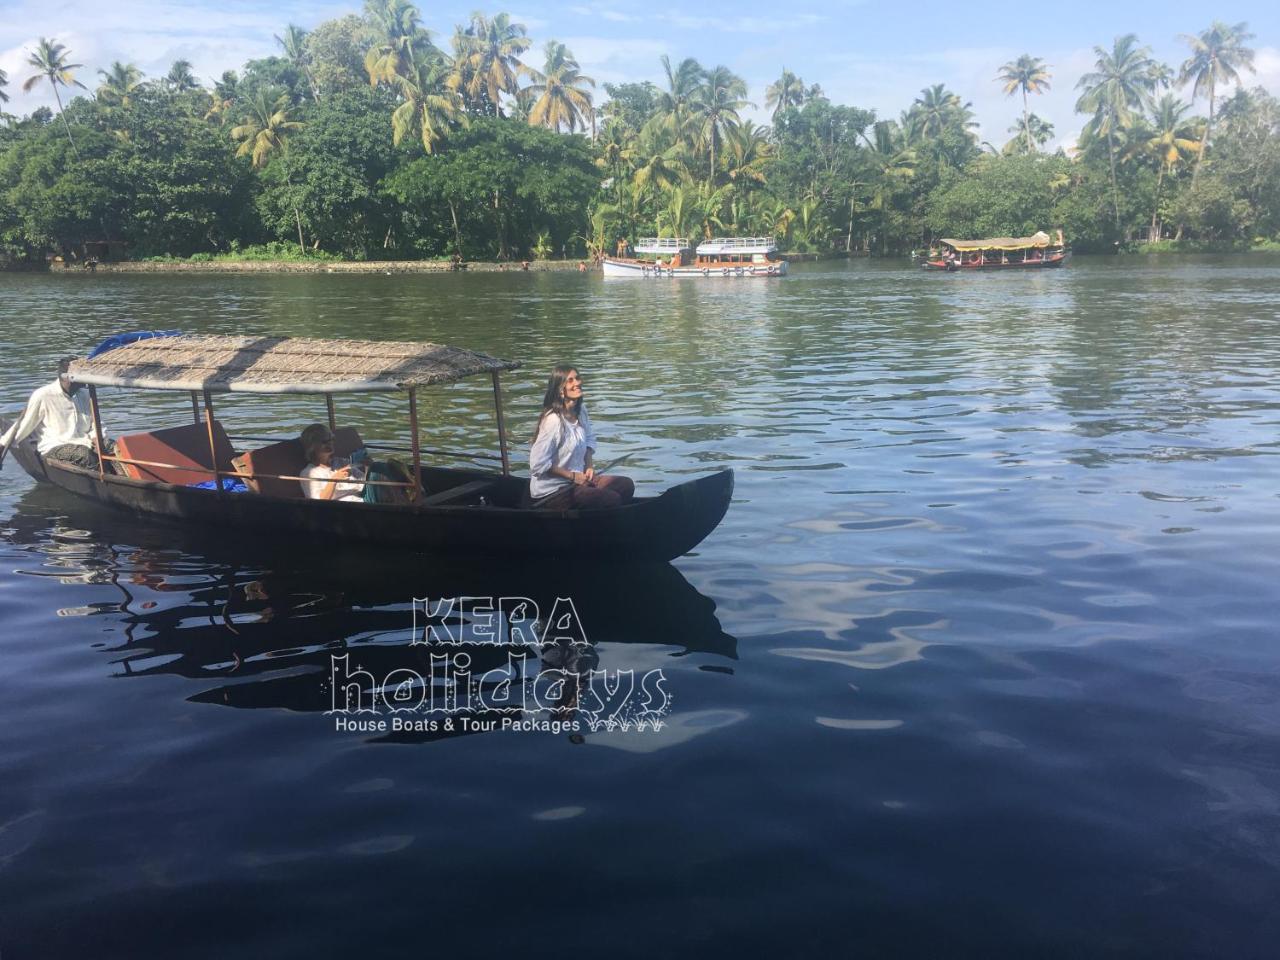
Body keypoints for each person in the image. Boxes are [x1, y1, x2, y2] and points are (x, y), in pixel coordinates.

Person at [528, 365, 634, 510]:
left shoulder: (581, 410)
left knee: (626, 485)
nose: (577, 383)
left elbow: (589, 439)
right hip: (554, 491)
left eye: (577, 378)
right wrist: (572, 476)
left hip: (578, 482)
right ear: (560, 389)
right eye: (570, 381)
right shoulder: (553, 420)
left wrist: (589, 466)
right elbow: (537, 464)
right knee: (611, 499)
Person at [0, 357, 109, 472]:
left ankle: (123, 475)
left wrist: (97, 437)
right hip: (55, 445)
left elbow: (96, 423)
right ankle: (104, 478)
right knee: (86, 455)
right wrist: (2, 445)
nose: (84, 384)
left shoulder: (85, 395)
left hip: (85, 441)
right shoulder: (43, 395)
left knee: (113, 446)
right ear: (67, 379)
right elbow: (23, 425)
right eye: (81, 380)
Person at [298, 424, 365, 502]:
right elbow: (318, 503)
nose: (330, 443)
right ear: (312, 445)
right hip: (349, 508)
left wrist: (368, 467)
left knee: (376, 469)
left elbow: (365, 482)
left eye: (331, 439)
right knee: (379, 468)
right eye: (325, 441)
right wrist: (334, 480)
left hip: (364, 498)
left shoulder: (342, 462)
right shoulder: (309, 473)